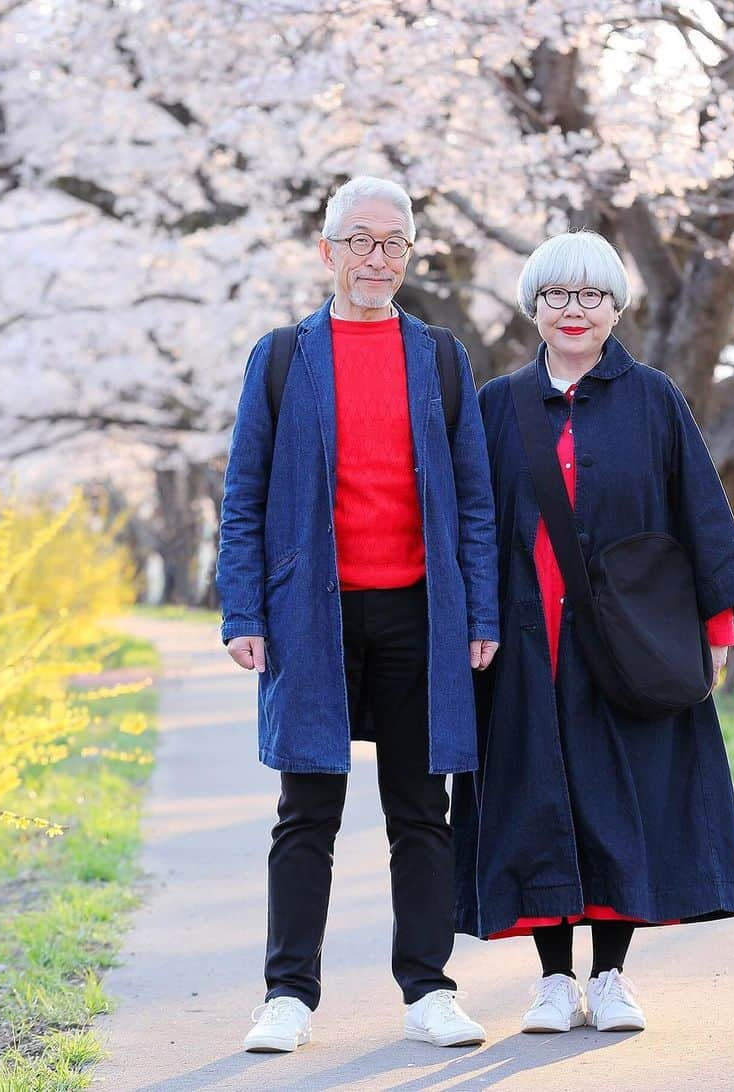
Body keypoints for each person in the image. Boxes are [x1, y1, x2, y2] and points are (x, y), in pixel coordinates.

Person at [452, 230, 734, 1036]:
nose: (574, 310)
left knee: (621, 798)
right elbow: (471, 526)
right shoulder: (498, 403)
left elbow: (701, 512)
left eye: (592, 295)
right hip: (523, 646)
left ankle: (613, 976)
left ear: (616, 307)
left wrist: (716, 630)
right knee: (533, 801)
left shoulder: (654, 398)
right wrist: (472, 623)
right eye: (557, 295)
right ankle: (553, 981)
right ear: (535, 307)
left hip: (629, 642)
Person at [217, 176, 499, 1054]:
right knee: (308, 811)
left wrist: (481, 610)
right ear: (327, 249)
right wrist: (243, 610)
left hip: (421, 615)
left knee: (422, 812)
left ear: (411, 256)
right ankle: (287, 994)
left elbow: (477, 501)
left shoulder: (442, 358)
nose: (377, 259)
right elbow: (244, 497)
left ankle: (428, 990)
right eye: (361, 241)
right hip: (311, 617)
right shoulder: (281, 357)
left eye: (394, 244)